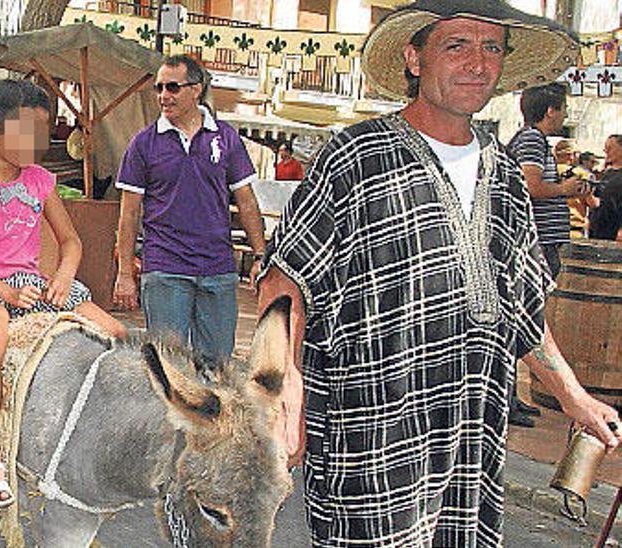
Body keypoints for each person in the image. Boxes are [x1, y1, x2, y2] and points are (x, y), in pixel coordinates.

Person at [256, 2, 620, 545]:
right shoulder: (358, 156)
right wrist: (284, 395)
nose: (477, 63)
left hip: (470, 441)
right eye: (457, 46)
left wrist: (575, 397)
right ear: (415, 57)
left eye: (491, 48)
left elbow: (519, 310)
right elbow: (284, 282)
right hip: (371, 434)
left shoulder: (504, 176)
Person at [0, 79, 126, 510]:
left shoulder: (41, 181)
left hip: (37, 286)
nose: (40, 144)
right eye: (31, 132)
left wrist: (63, 275)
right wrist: (1, 289)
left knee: (117, 333)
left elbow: (72, 242)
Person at [111, 55, 267, 364]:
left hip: (218, 269)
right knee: (168, 367)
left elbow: (246, 200)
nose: (163, 96)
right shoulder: (143, 144)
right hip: (165, 268)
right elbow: (129, 214)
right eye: (159, 88)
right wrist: (124, 273)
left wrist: (261, 255)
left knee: (219, 365)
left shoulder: (226, 138)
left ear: (196, 90)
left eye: (172, 87)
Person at [508, 84, 593, 278]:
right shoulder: (532, 139)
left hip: (541, 242)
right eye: (564, 108)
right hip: (539, 243)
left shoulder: (533, 139)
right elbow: (531, 186)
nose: (565, 115)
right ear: (550, 111)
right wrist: (564, 188)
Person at [589, 134, 622, 241]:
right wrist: (587, 194)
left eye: (610, 148)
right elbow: (598, 202)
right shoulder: (606, 173)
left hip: (616, 233)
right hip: (599, 232)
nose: (606, 151)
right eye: (605, 148)